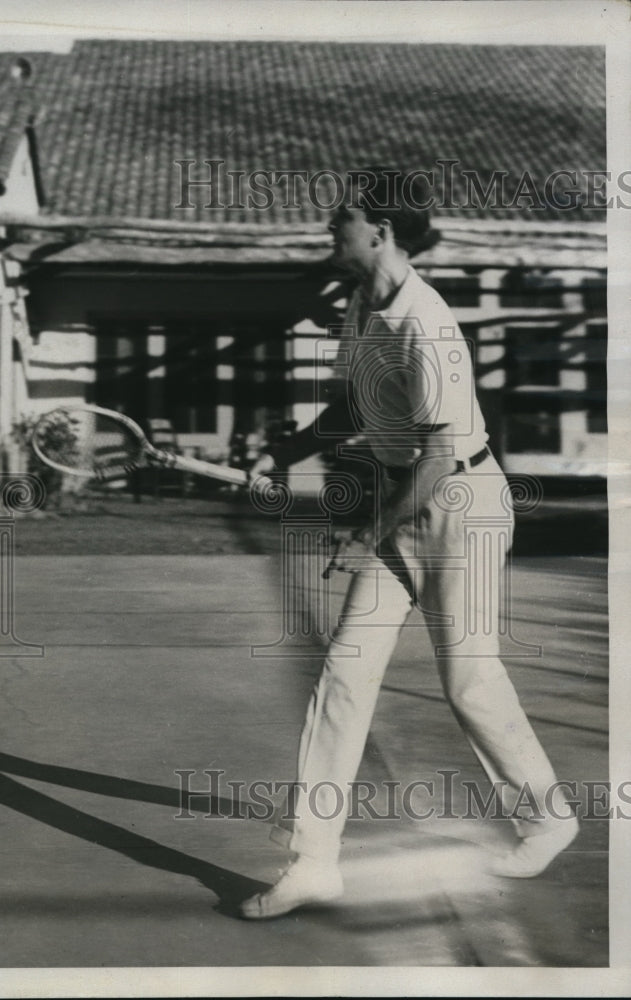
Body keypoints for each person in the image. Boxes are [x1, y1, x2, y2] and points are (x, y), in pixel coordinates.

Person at [239, 167, 578, 920]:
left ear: (380, 233)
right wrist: (283, 456)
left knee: (469, 685)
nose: (331, 228)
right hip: (411, 501)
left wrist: (367, 533)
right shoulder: (360, 305)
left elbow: (433, 456)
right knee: (343, 677)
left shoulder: (425, 325)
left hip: (464, 505)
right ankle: (314, 862)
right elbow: (347, 411)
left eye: (342, 219)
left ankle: (549, 817)